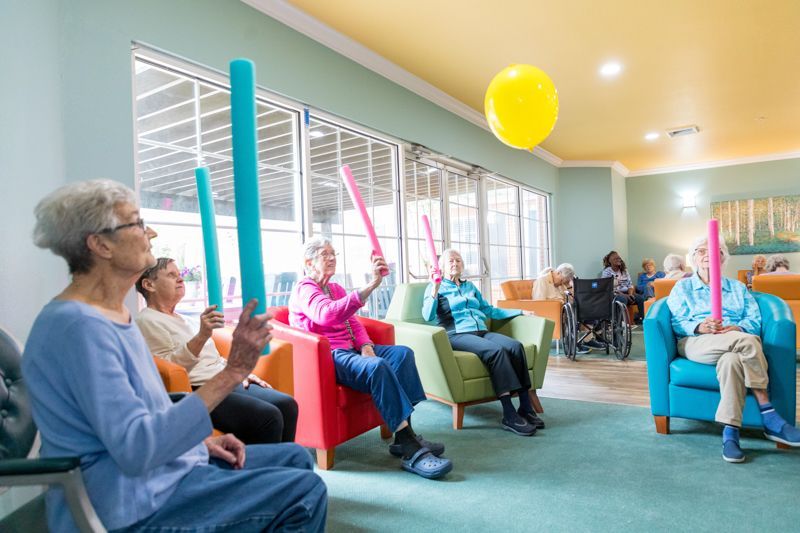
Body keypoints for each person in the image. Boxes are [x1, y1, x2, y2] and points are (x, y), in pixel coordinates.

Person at [23, 180, 326, 532]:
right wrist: (234, 371)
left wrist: (202, 442)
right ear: (100, 244)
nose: (149, 232)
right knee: (304, 490)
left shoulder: (113, 314)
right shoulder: (78, 329)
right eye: (136, 223)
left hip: (162, 475)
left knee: (295, 458)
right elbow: (137, 449)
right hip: (131, 504)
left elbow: (145, 409)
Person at [289, 236, 452, 480]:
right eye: (325, 254)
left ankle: (404, 434)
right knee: (377, 367)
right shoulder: (305, 288)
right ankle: (410, 449)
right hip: (328, 357)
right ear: (309, 262)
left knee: (403, 355)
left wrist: (365, 344)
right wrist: (373, 284)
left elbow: (352, 320)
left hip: (352, 349)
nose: (332, 258)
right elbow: (325, 314)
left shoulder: (334, 288)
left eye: (334, 253)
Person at [667, 234, 800, 463]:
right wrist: (700, 326)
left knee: (732, 360)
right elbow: (677, 322)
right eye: (701, 250)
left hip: (732, 340)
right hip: (696, 342)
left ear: (723, 258)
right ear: (694, 258)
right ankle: (768, 413)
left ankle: (730, 433)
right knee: (747, 342)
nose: (708, 253)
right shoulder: (683, 288)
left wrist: (736, 326)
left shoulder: (737, 288)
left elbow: (754, 320)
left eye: (715, 250)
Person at [136, 257, 298, 444]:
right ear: (149, 285)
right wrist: (202, 336)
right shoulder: (147, 320)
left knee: (287, 405)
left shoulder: (185, 319)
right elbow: (171, 370)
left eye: (180, 275)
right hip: (197, 390)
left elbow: (212, 357)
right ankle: (261, 471)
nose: (180, 279)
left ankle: (286, 468)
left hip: (223, 380)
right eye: (171, 275)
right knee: (268, 416)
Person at [423, 248, 544, 436]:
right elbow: (427, 316)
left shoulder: (469, 287)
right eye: (450, 261)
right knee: (496, 351)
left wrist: (519, 311)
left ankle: (525, 407)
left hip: (481, 330)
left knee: (515, 347)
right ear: (442, 267)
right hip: (456, 334)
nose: (455, 263)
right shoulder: (436, 287)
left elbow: (489, 310)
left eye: (458, 260)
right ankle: (509, 414)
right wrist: (434, 288)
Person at [534, 264, 601, 353]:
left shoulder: (560, 282)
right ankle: (574, 343)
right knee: (572, 312)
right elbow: (539, 303)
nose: (561, 283)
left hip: (565, 309)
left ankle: (588, 339)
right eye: (562, 280)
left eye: (564, 282)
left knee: (586, 308)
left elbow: (571, 299)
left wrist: (570, 286)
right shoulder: (542, 281)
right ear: (558, 273)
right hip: (552, 312)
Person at [601, 250, 645, 323]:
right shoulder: (607, 271)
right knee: (622, 299)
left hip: (627, 293)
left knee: (640, 299)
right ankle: (621, 324)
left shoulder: (624, 270)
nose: (618, 259)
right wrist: (625, 295)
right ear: (610, 261)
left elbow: (630, 285)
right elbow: (609, 288)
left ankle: (643, 321)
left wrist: (630, 294)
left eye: (619, 258)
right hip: (614, 294)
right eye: (615, 258)